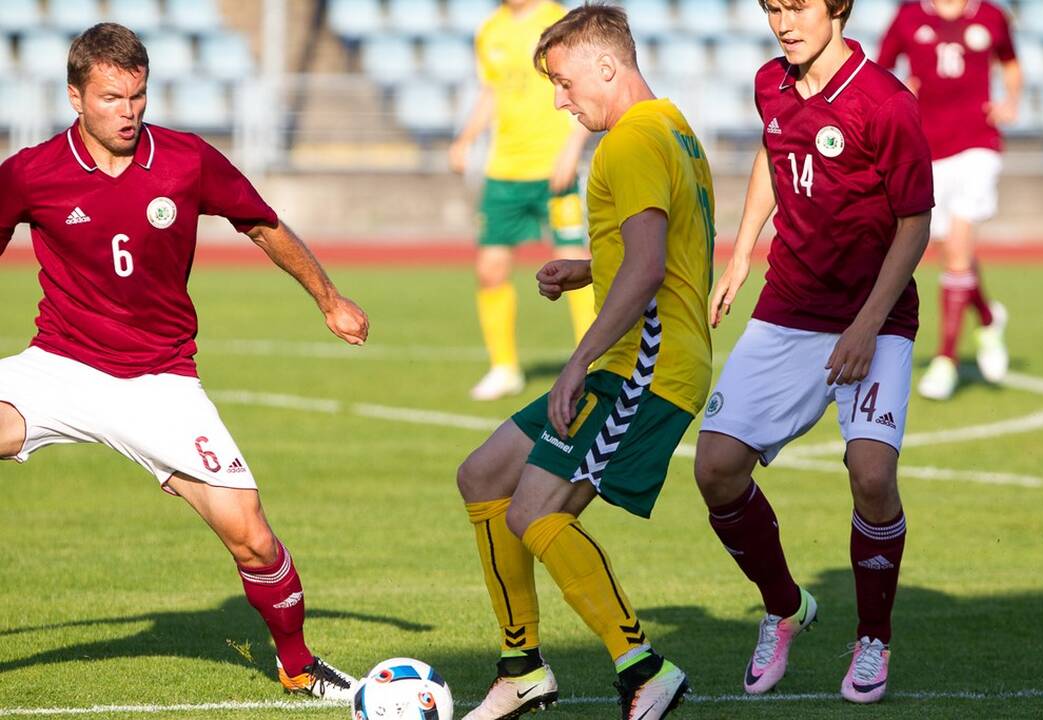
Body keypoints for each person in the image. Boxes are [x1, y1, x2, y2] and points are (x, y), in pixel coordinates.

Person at [0, 23, 367, 702]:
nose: (129, 111)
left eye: (138, 96)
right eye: (112, 97)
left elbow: (261, 223)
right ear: (76, 97)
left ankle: (297, 665)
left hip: (160, 383)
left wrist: (329, 298)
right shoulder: (31, 172)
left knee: (253, 538)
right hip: (59, 366)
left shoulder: (186, 160)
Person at [456, 5, 714, 719]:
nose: (559, 101)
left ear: (607, 65)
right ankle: (521, 669)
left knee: (533, 511)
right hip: (640, 356)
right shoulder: (671, 126)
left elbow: (649, 265)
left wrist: (575, 362)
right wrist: (586, 267)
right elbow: (654, 251)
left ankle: (643, 667)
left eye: (565, 83)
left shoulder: (629, 143)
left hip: (642, 368)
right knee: (482, 475)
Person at [693, 0, 933, 705]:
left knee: (869, 475)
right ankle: (783, 607)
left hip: (873, 317)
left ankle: (873, 638)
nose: (782, 22)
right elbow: (774, 157)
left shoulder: (885, 102)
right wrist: (739, 256)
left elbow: (914, 224)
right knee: (715, 469)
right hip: (788, 310)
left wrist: (866, 324)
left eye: (796, 6)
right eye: (772, 7)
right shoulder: (770, 81)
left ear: (837, 7)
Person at [449, 0, 595, 401]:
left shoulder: (560, 20)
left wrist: (572, 148)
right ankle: (504, 368)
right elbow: (491, 92)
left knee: (578, 266)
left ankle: (593, 363)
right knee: (490, 269)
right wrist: (466, 138)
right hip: (503, 173)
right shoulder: (489, 29)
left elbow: (586, 88)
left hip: (555, 170)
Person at [878, 0, 1021, 400]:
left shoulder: (991, 16)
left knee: (958, 250)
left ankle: (946, 360)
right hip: (928, 148)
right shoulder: (908, 16)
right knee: (952, 252)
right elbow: (882, 68)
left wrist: (1010, 102)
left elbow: (1010, 62)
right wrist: (899, 91)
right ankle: (989, 318)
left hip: (979, 143)